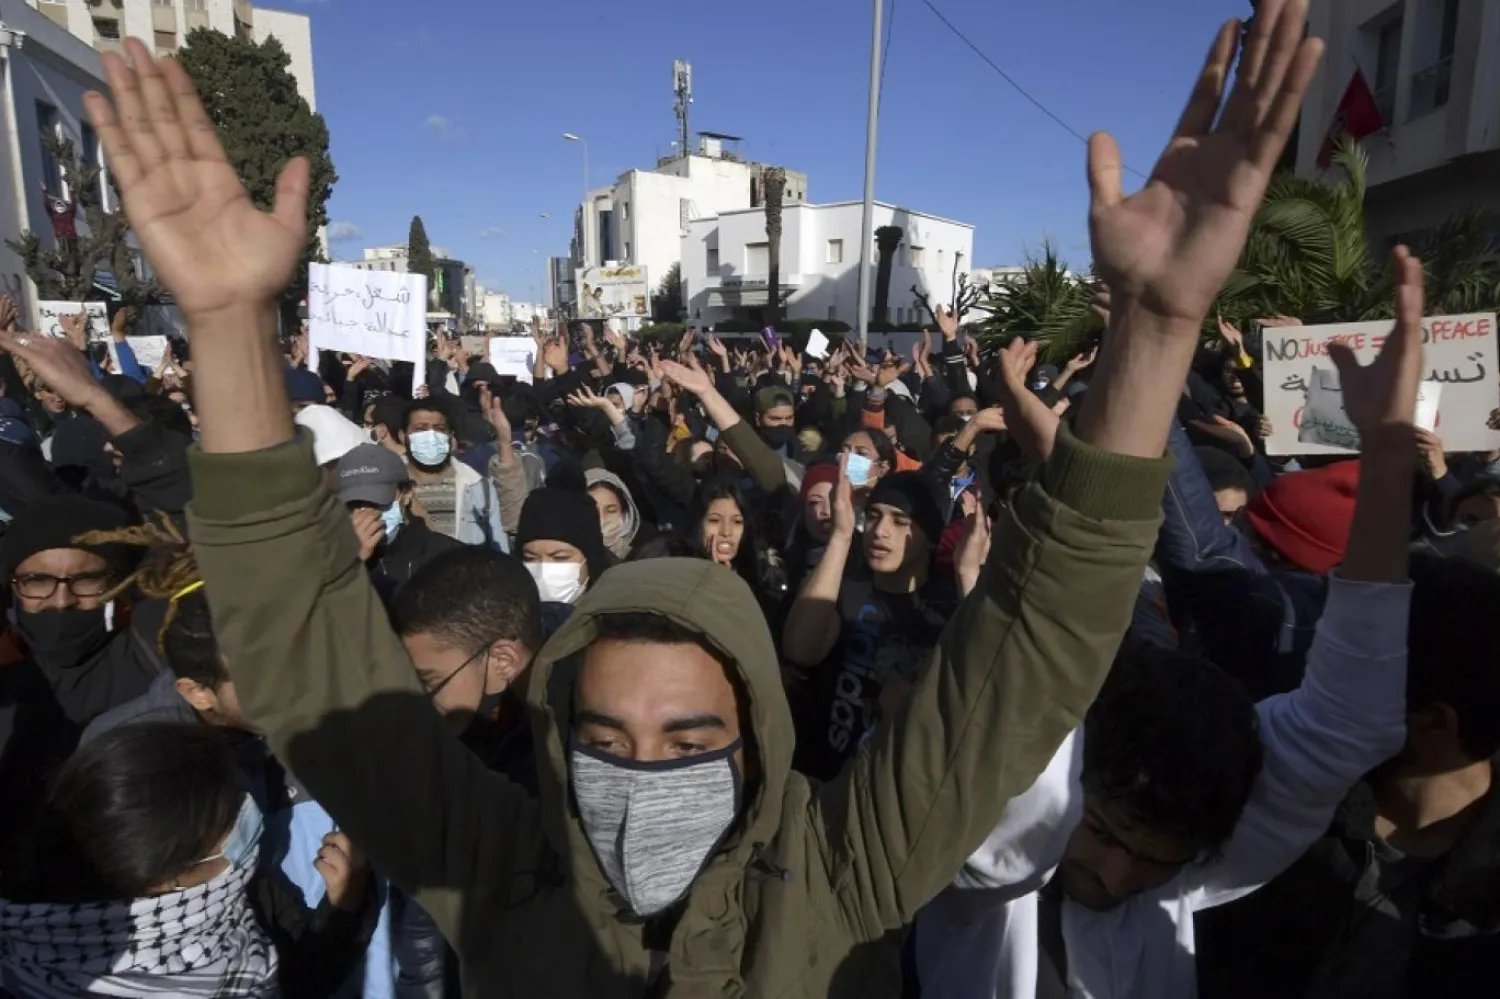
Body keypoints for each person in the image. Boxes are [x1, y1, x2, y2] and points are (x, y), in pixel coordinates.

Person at [81, 3, 1314, 988]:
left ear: (756, 736)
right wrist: (229, 322)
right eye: (605, 742)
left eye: (688, 743)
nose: (641, 782)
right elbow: (307, 651)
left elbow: (1032, 650)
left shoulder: (839, 871)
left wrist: (1157, 329)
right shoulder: (495, 869)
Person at [915, 238, 1424, 999]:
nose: (1117, 875)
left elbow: (1349, 720)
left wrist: (1385, 458)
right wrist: (1143, 348)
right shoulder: (993, 861)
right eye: (1104, 829)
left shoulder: (1191, 863)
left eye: (1158, 858)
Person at [1193, 549, 1500, 997]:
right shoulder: (1271, 793)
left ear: (1434, 722)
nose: (1320, 691)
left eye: (1351, 685)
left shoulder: (1486, 899)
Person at [0, 723, 377, 998]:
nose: (249, 814)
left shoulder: (230, 886)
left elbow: (300, 977)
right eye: (232, 819)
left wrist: (345, 905)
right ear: (168, 881)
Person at [783, 466, 964, 781]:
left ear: (930, 537)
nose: (880, 531)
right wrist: (841, 537)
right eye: (873, 516)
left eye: (900, 521)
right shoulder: (844, 586)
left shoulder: (944, 613)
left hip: (887, 786)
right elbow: (800, 650)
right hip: (818, 780)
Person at [337, 442, 461, 597]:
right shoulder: (328, 563)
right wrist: (351, 564)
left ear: (406, 494)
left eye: (377, 502)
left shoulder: (448, 555)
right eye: (354, 504)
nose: (366, 514)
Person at [400, 399, 506, 549]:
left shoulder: (477, 486)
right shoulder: (391, 486)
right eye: (420, 429)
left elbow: (499, 546)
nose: (431, 436)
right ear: (402, 436)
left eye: (439, 429)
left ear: (450, 435)